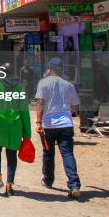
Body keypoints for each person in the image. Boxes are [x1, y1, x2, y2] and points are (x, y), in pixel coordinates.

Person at [35, 57, 82, 200]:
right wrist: (67, 112)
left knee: (48, 153)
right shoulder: (69, 85)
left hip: (48, 125)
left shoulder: (43, 83)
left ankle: (48, 180)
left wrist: (38, 122)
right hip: (66, 125)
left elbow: (40, 103)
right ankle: (74, 185)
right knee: (67, 153)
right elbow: (74, 107)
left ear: (49, 68)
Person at [0, 63, 31, 195]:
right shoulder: (20, 88)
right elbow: (24, 112)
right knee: (11, 155)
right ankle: (9, 186)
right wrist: (27, 134)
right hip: (15, 126)